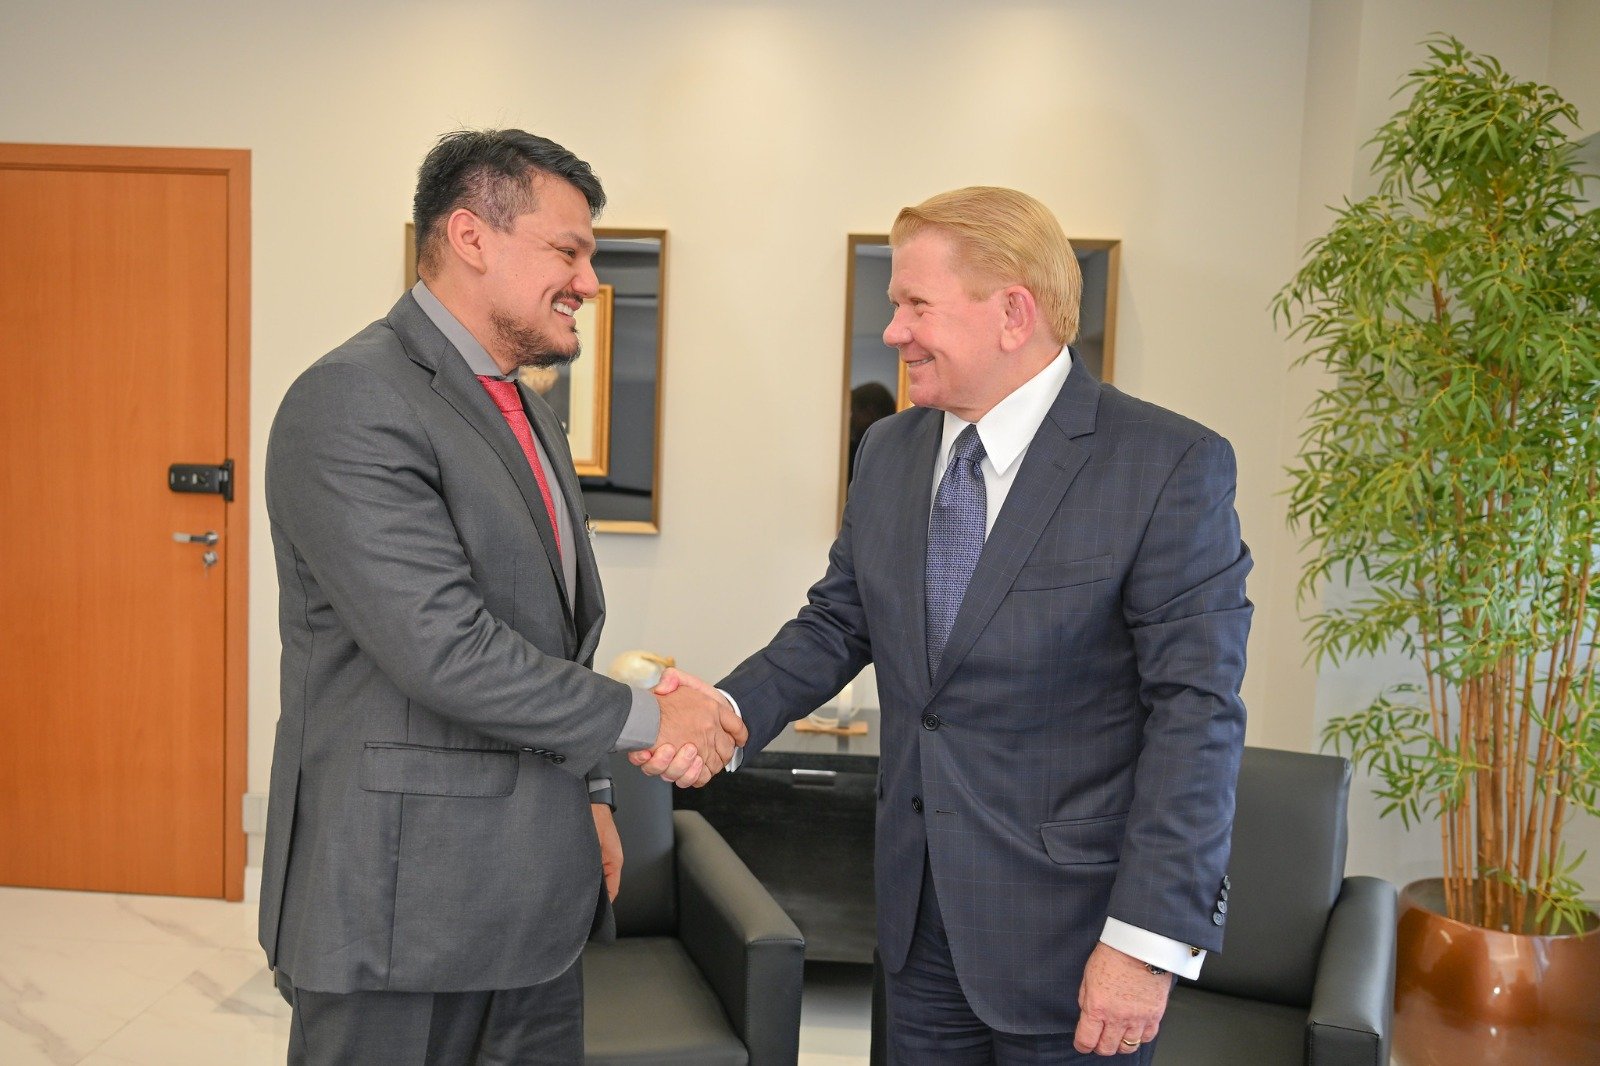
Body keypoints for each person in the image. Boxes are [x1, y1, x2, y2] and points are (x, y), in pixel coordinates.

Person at [643, 187, 1251, 1063]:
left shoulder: (1168, 464)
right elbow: (839, 621)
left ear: (1013, 313)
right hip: (916, 927)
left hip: (1077, 938)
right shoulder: (890, 450)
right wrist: (728, 711)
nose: (894, 331)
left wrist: (1146, 942)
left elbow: (1197, 716)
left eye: (915, 305)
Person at [259, 128, 744, 1066]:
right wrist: (653, 717)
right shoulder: (352, 400)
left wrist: (591, 792)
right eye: (569, 251)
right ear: (471, 236)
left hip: (536, 904)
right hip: (399, 911)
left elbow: (554, 636)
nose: (589, 282)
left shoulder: (526, 408)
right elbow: (447, 651)